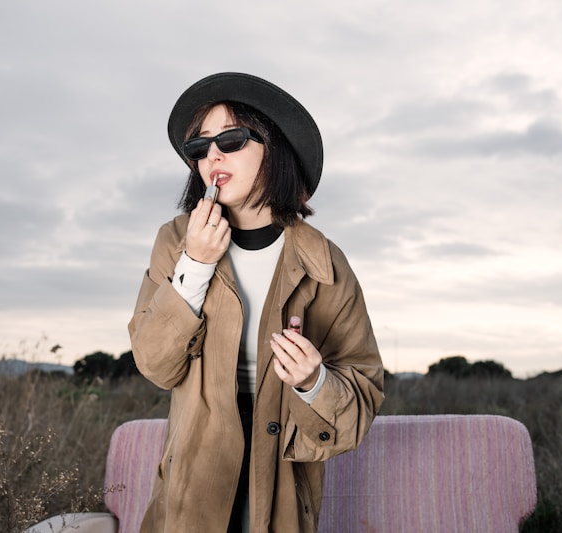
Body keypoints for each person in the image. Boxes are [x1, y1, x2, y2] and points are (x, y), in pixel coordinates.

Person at [128, 72, 384, 533]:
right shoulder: (174, 241)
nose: (212, 155)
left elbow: (361, 399)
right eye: (199, 147)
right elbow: (155, 365)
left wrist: (313, 380)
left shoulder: (324, 262)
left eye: (231, 137)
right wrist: (196, 263)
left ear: (276, 148)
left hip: (284, 476)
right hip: (193, 478)